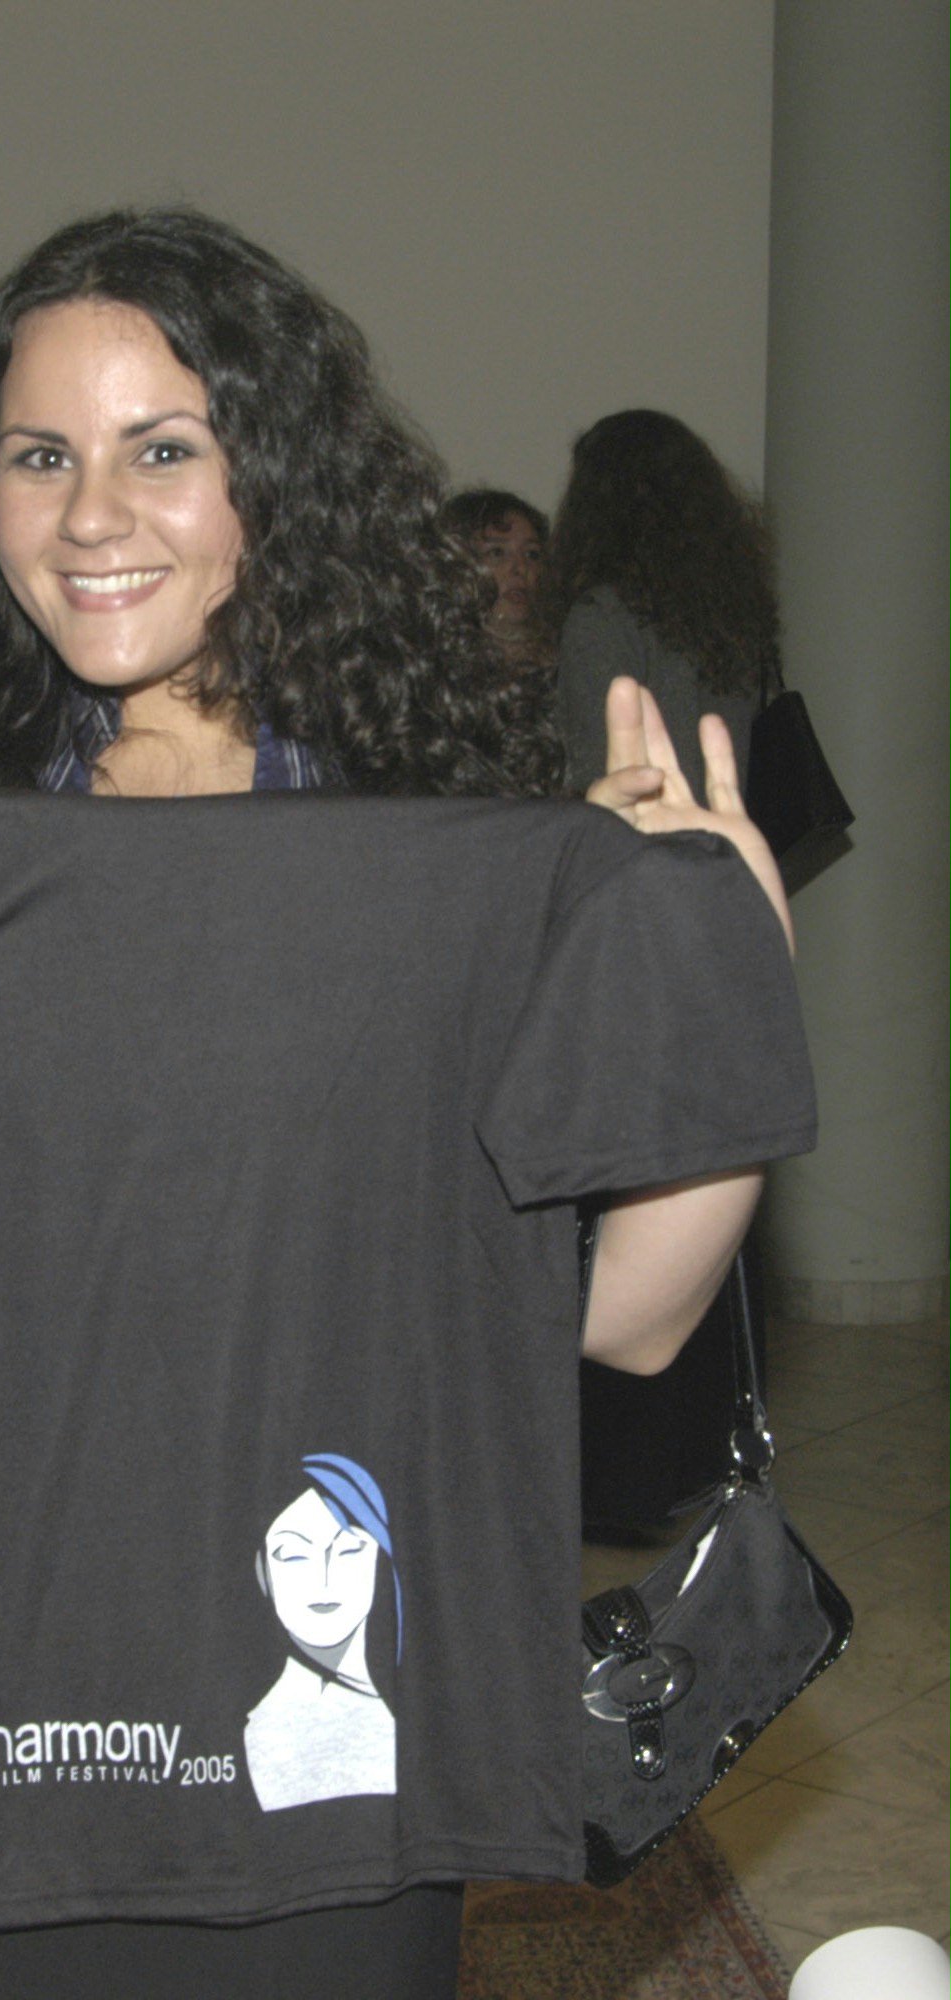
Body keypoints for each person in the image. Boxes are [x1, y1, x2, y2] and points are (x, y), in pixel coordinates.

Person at [0, 211, 811, 1999]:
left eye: (164, 451)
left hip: (262, 1699)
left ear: (278, 484)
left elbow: (634, 1321)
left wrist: (727, 987)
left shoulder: (432, 864)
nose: (90, 514)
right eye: (39, 456)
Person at [544, 410, 783, 1536]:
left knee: (623, 1202)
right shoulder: (730, 614)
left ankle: (622, 1489)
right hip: (729, 907)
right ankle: (699, 1469)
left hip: (634, 921)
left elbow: (609, 781)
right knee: (706, 1200)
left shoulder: (601, 614)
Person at [545, 408, 774, 799]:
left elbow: (599, 778)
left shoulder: (603, 616)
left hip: (643, 848)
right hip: (721, 845)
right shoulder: (729, 614)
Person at [246, 1454, 400, 1812]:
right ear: (263, 1569)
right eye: (295, 1555)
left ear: (379, 1559)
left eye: (349, 1549)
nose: (325, 1577)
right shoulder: (253, 1730)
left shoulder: (412, 1723)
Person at [438, 487, 550, 660]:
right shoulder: (429, 669)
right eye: (497, 553)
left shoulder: (570, 667)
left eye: (532, 554)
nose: (520, 567)